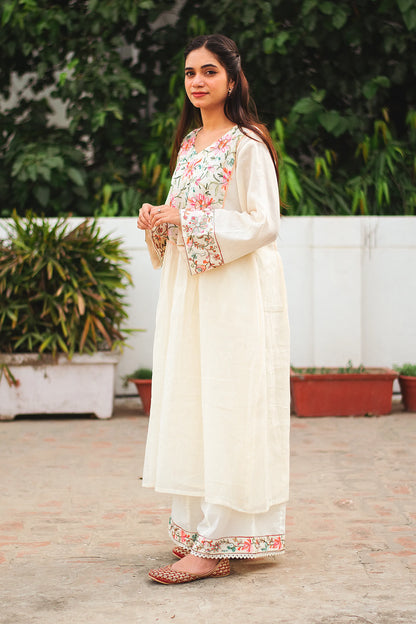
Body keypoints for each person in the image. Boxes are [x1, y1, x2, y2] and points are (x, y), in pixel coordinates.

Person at [136, 34, 290, 585]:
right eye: (188, 74)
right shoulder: (190, 144)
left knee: (229, 403)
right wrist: (160, 215)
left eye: (208, 72)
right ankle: (198, 529)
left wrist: (187, 221)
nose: (196, 82)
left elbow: (263, 222)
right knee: (193, 402)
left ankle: (221, 540)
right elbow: (184, 211)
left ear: (231, 79)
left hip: (235, 291)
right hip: (192, 292)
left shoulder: (247, 144)